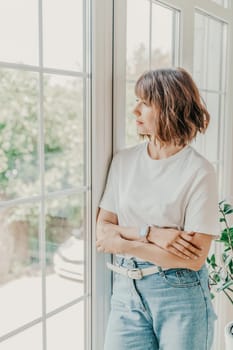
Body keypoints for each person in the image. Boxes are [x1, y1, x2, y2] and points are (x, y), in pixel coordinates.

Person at [96, 67, 219, 350]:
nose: (134, 110)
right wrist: (152, 233)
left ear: (168, 109)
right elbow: (103, 232)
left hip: (180, 294)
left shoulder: (199, 171)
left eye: (145, 103)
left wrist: (125, 244)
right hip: (125, 293)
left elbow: (193, 258)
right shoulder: (124, 161)